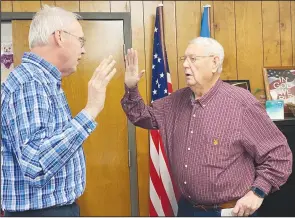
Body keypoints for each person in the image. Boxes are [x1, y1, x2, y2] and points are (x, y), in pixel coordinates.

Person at [121, 38, 293, 217]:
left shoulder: (241, 103)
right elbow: (141, 116)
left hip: (230, 211)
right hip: (188, 209)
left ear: (214, 62)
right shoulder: (174, 102)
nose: (186, 65)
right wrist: (131, 87)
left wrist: (258, 192)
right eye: (184, 59)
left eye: (193, 59)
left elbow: (279, 155)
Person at [1, 5, 117, 217]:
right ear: (60, 37)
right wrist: (90, 111)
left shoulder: (42, 81)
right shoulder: (30, 83)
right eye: (81, 41)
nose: (83, 50)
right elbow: (34, 165)